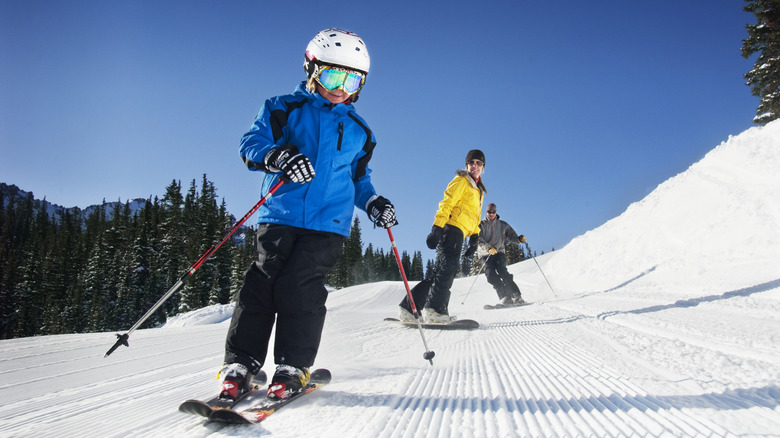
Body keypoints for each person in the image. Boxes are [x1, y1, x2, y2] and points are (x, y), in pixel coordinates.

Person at [219, 28, 396, 402]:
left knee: (301, 288)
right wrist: (278, 156)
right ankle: (241, 363)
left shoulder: (361, 132)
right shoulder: (283, 107)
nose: (341, 87)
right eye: (333, 75)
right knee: (261, 284)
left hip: (327, 224)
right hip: (279, 212)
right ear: (312, 70)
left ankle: (292, 365)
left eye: (352, 79)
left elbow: (360, 179)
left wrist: (374, 203)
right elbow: (252, 142)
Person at [399, 150, 486, 323]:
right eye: (472, 162)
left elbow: (474, 216)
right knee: (448, 269)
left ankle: (409, 308)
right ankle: (435, 310)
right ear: (467, 165)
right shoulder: (462, 180)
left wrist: (475, 236)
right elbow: (447, 203)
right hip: (452, 229)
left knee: (439, 272)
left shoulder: (478, 190)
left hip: (460, 231)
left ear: (483, 167)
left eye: (479, 163)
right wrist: (437, 228)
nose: (475, 166)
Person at [475, 203, 526, 306]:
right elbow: (478, 239)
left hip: (499, 252)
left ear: (496, 212)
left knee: (503, 272)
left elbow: (512, 236)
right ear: (486, 212)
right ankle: (505, 296)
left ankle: (516, 295)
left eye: (493, 212)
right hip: (485, 254)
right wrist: (487, 247)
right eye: (489, 212)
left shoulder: (503, 225)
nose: (491, 214)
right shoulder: (481, 225)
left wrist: (518, 239)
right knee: (490, 275)